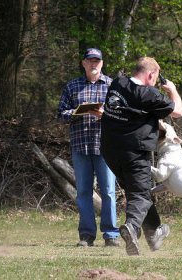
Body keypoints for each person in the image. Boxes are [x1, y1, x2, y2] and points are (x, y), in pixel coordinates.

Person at [100, 57, 182, 256]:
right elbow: (178, 112)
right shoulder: (151, 95)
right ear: (151, 75)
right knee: (139, 195)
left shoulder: (118, 82)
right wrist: (171, 90)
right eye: (154, 79)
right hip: (134, 152)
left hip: (110, 150)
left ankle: (153, 234)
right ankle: (131, 227)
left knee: (140, 191)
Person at [58, 48, 120, 247]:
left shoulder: (112, 85)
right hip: (80, 146)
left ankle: (111, 235)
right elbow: (60, 114)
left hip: (106, 148)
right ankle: (86, 236)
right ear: (83, 63)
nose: (94, 64)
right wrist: (79, 112)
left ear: (102, 63)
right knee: (83, 192)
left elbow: (122, 113)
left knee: (109, 192)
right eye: (90, 61)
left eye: (97, 61)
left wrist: (107, 114)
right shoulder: (72, 86)